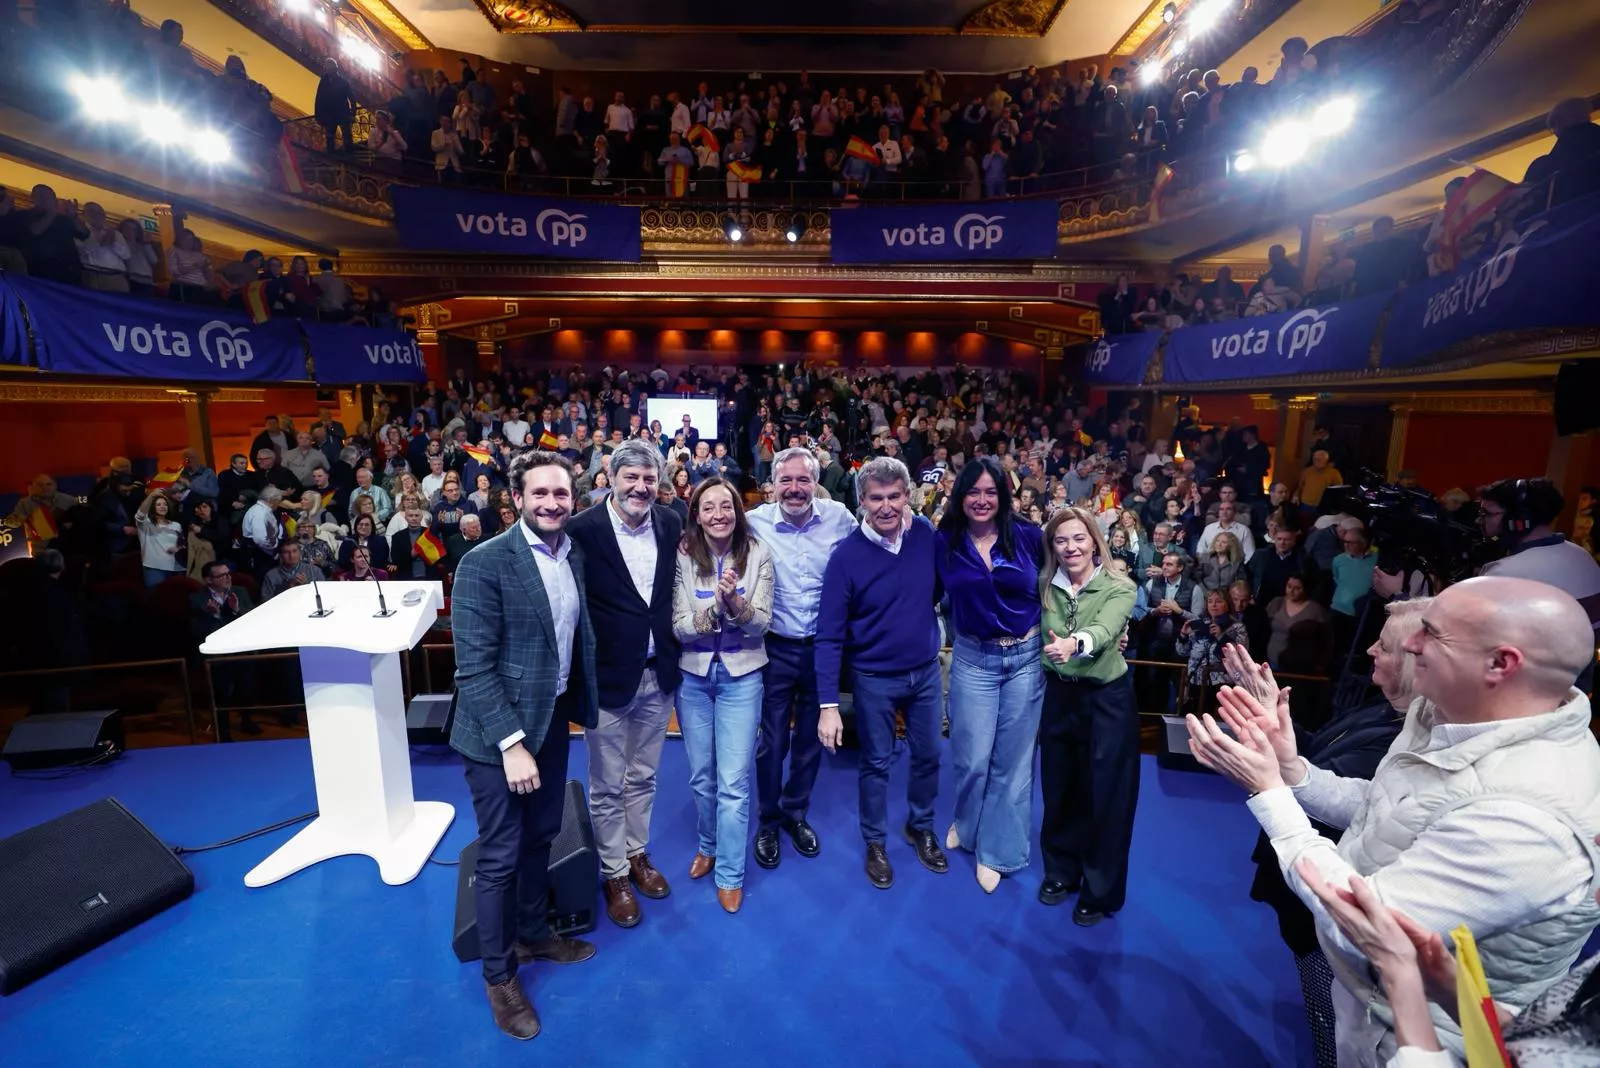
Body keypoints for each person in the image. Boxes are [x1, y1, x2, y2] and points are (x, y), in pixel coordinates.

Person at [1188, 577, 1600, 1065]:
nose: (1408, 644)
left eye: (1431, 633)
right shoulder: (1443, 712)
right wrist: (1292, 770)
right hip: (1370, 1005)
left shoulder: (1528, 818)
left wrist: (1268, 791)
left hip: (1426, 1039)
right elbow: (1382, 808)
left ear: (1500, 664)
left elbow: (1368, 925)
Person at [449, 451, 601, 1040]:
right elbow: (474, 670)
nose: (551, 504)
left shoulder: (574, 555)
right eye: (539, 494)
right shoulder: (483, 564)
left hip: (553, 718)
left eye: (561, 494)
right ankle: (499, 976)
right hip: (496, 735)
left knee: (542, 834)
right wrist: (512, 744)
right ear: (516, 498)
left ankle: (535, 934)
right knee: (501, 852)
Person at [1238, 600, 1428, 1068]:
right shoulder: (1397, 717)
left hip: (1334, 902)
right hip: (1319, 892)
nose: (1368, 650)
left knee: (1333, 1021)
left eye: (1382, 646)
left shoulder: (1409, 732)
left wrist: (1271, 783)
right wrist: (1287, 759)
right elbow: (1347, 782)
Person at [565, 439, 682, 929]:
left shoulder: (672, 522)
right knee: (607, 783)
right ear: (610, 477)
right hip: (607, 679)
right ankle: (613, 872)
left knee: (645, 776)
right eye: (630, 477)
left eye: (648, 478)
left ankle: (637, 853)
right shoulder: (580, 529)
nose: (640, 487)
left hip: (659, 675)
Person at [816, 456, 947, 889]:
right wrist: (828, 705)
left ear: (907, 497)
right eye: (877, 498)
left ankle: (919, 826)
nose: (887, 506)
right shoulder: (845, 557)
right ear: (862, 502)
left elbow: (942, 589)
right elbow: (830, 636)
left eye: (895, 496)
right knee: (876, 762)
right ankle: (875, 840)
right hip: (873, 678)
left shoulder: (926, 535)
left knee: (929, 755)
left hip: (926, 672)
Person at [935, 457, 1045, 893]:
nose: (982, 500)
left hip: (1026, 657)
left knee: (1013, 764)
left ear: (1004, 496)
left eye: (990, 492)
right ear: (961, 496)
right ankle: (967, 820)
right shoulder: (945, 541)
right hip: (972, 659)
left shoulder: (1031, 538)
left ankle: (997, 852)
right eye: (973, 491)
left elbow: (1068, 582)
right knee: (973, 758)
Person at [744, 446, 857, 870]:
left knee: (811, 740)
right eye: (786, 480)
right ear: (773, 484)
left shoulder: (840, 518)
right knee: (772, 741)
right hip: (774, 647)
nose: (794, 488)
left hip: (824, 649)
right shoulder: (754, 523)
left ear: (816, 482)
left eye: (803, 480)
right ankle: (768, 820)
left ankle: (795, 813)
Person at [671, 477, 774, 914]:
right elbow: (679, 627)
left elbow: (762, 624)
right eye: (708, 507)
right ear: (696, 513)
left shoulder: (760, 552)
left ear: (737, 510)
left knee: (734, 782)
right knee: (701, 777)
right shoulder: (682, 555)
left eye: (726, 506)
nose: (718, 514)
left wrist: (735, 604)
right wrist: (715, 605)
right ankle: (709, 844)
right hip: (693, 678)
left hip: (742, 677)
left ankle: (730, 872)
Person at [1037, 507, 1138, 926]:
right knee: (1060, 787)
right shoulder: (1045, 584)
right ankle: (1060, 871)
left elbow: (1106, 628)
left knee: (1106, 796)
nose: (1070, 548)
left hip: (1107, 700)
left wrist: (1074, 644)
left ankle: (1099, 891)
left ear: (1095, 540)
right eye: (1061, 541)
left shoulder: (1120, 586)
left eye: (1078, 538)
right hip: (1060, 697)